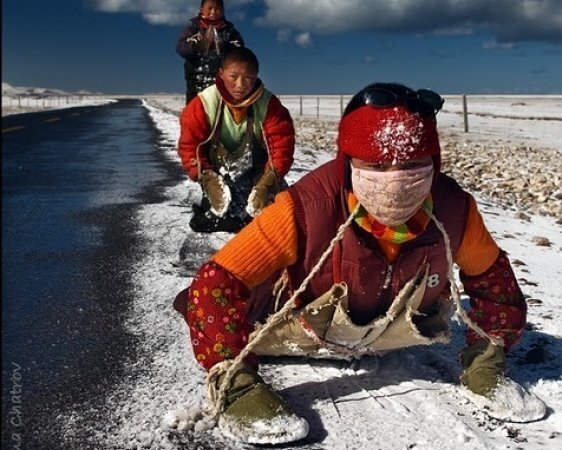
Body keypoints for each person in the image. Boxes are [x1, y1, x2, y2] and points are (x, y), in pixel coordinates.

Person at [173, 82, 540, 444]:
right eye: (376, 164)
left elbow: (496, 287)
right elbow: (216, 282)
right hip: (290, 325)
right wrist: (236, 382)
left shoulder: (455, 210)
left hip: (387, 330)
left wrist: (486, 360)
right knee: (202, 302)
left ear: (434, 163)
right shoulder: (305, 209)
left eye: (413, 164)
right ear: (349, 163)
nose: (395, 178)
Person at [176, 46, 295, 233]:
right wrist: (207, 178)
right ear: (221, 74)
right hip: (219, 173)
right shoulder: (203, 104)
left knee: (268, 217)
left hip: (258, 173)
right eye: (234, 76)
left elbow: (281, 147)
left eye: (248, 78)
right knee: (224, 213)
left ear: (256, 76)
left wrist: (270, 180)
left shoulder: (269, 105)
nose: (241, 85)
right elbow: (190, 147)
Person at [176, 0, 244, 105]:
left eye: (217, 9)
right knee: (194, 111)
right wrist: (198, 45)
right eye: (210, 8)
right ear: (201, 9)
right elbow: (181, 48)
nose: (213, 12)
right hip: (195, 80)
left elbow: (240, 53)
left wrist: (224, 48)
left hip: (222, 80)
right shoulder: (193, 27)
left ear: (223, 11)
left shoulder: (229, 30)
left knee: (219, 109)